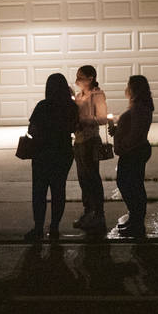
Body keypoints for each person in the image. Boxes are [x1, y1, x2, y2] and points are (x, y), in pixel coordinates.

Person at [25, 72, 78, 241]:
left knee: (39, 192)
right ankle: (54, 227)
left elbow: (31, 129)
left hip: (43, 153)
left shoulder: (43, 106)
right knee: (58, 191)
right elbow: (74, 127)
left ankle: (38, 228)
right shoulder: (71, 107)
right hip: (63, 152)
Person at [112, 74, 154, 238]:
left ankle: (137, 222)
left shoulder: (140, 108)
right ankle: (134, 218)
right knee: (129, 185)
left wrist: (123, 146)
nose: (126, 89)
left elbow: (136, 133)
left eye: (128, 86)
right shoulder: (139, 106)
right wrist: (118, 132)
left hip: (134, 152)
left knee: (130, 186)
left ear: (134, 89)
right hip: (134, 151)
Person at [72, 64, 109, 233]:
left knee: (93, 177)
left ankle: (99, 214)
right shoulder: (79, 96)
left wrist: (85, 121)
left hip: (91, 139)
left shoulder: (97, 95)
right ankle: (88, 212)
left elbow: (102, 119)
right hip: (78, 141)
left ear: (90, 78)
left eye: (81, 77)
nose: (77, 80)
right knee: (82, 179)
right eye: (77, 76)